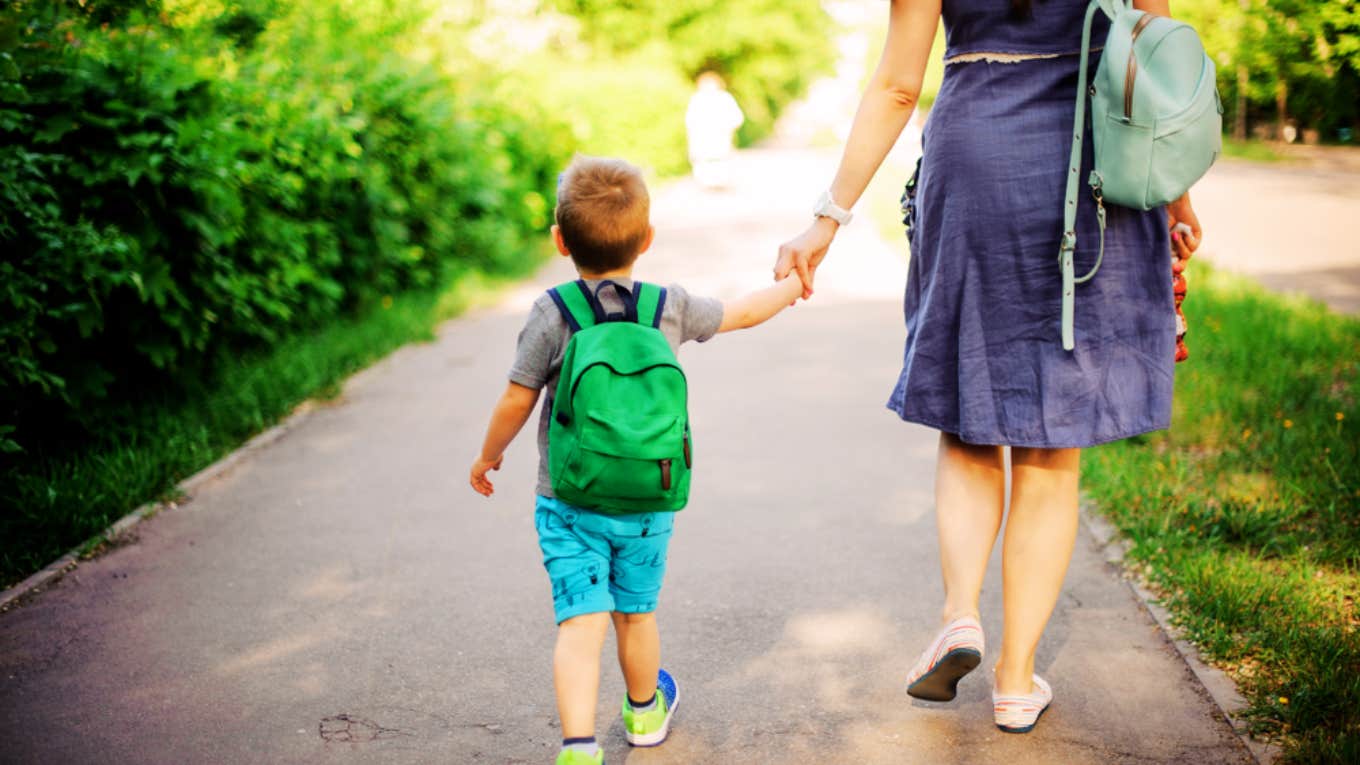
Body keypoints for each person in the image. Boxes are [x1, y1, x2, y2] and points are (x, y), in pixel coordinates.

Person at [774, 0, 1203, 734]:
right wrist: (1177, 202)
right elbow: (1154, 63)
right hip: (1091, 161)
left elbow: (897, 87)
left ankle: (958, 614)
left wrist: (827, 218)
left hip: (974, 155)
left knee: (972, 413)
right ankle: (1013, 680)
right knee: (1052, 433)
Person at [470, 155, 803, 764]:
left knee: (580, 624)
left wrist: (488, 457)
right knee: (636, 614)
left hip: (569, 500)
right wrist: (793, 283)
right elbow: (746, 312)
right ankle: (646, 714)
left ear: (558, 240)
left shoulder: (554, 311)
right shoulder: (666, 306)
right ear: (647, 240)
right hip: (649, 498)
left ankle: (578, 748)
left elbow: (517, 396)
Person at [685, 71, 745, 188]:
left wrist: (727, 127)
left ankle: (718, 184)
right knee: (704, 163)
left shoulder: (725, 98)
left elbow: (737, 118)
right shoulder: (697, 99)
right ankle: (707, 185)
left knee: (719, 163)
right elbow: (690, 120)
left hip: (720, 138)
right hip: (701, 139)